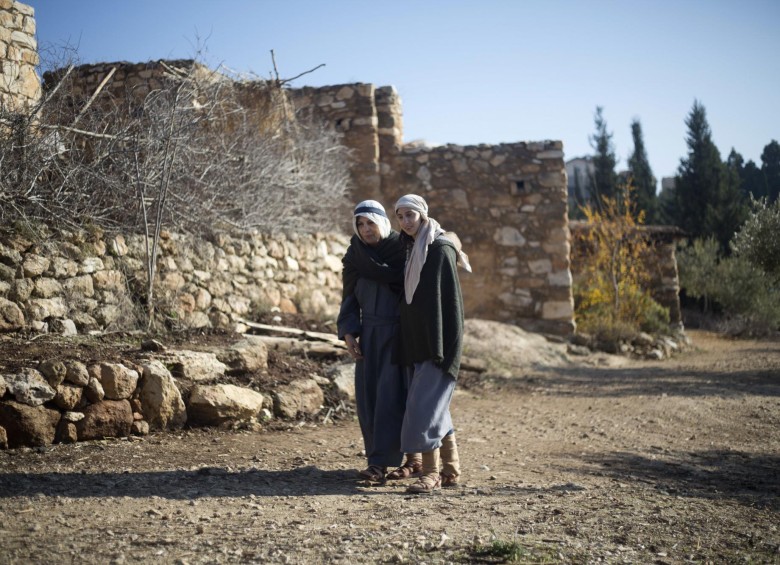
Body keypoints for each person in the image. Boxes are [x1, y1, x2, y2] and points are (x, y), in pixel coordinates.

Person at [337, 200, 421, 482]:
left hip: (401, 335)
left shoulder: (403, 250)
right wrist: (349, 333)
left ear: (382, 222)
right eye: (360, 224)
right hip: (371, 338)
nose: (365, 229)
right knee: (370, 399)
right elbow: (348, 297)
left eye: (370, 222)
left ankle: (414, 460)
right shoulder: (355, 257)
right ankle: (377, 463)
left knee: (401, 397)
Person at [394, 194, 471, 494]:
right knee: (436, 408)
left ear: (423, 215)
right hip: (421, 344)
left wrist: (440, 349)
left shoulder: (438, 248)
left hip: (439, 346)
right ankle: (451, 470)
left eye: (410, 215)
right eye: (400, 216)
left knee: (422, 410)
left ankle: (432, 473)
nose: (405, 222)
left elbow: (450, 305)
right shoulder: (412, 248)